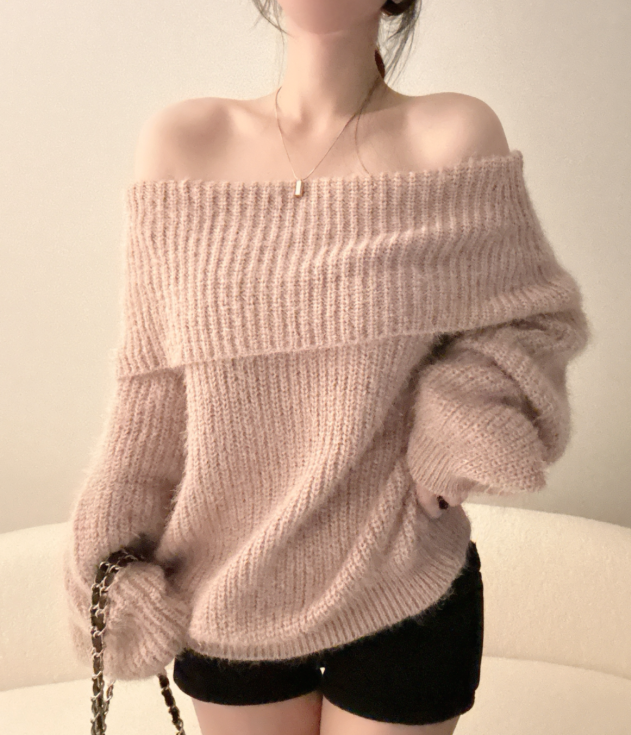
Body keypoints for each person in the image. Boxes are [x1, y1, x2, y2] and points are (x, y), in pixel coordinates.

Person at [62, 1, 591, 734]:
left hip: (404, 582)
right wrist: (107, 553)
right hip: (224, 593)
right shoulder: (183, 143)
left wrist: (455, 416)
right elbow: (151, 385)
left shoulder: (453, 137)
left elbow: (534, 320)